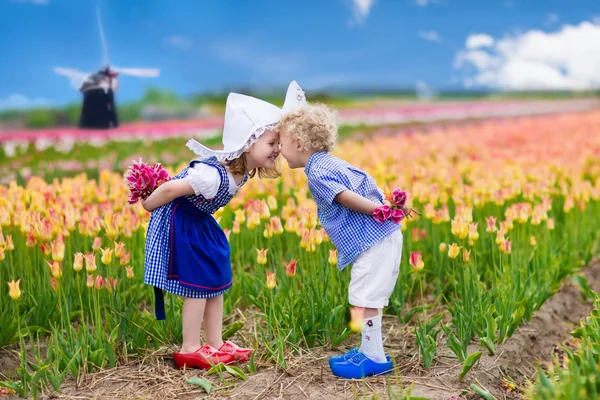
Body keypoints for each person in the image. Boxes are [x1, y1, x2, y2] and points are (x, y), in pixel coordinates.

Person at [142, 92, 282, 369]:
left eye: (278, 142)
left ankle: (216, 343)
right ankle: (190, 347)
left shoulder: (240, 173)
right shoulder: (211, 174)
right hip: (183, 223)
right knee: (198, 285)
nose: (277, 148)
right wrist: (148, 204)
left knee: (215, 279)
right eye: (271, 142)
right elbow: (172, 188)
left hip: (200, 222)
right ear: (247, 143)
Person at [278, 81, 405, 379]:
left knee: (363, 299)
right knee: (363, 297)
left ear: (298, 143)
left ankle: (373, 357)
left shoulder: (318, 173)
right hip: (378, 238)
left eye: (281, 142)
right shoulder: (331, 162)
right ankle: (367, 349)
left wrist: (379, 210)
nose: (280, 150)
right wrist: (385, 206)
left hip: (374, 240)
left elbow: (343, 197)